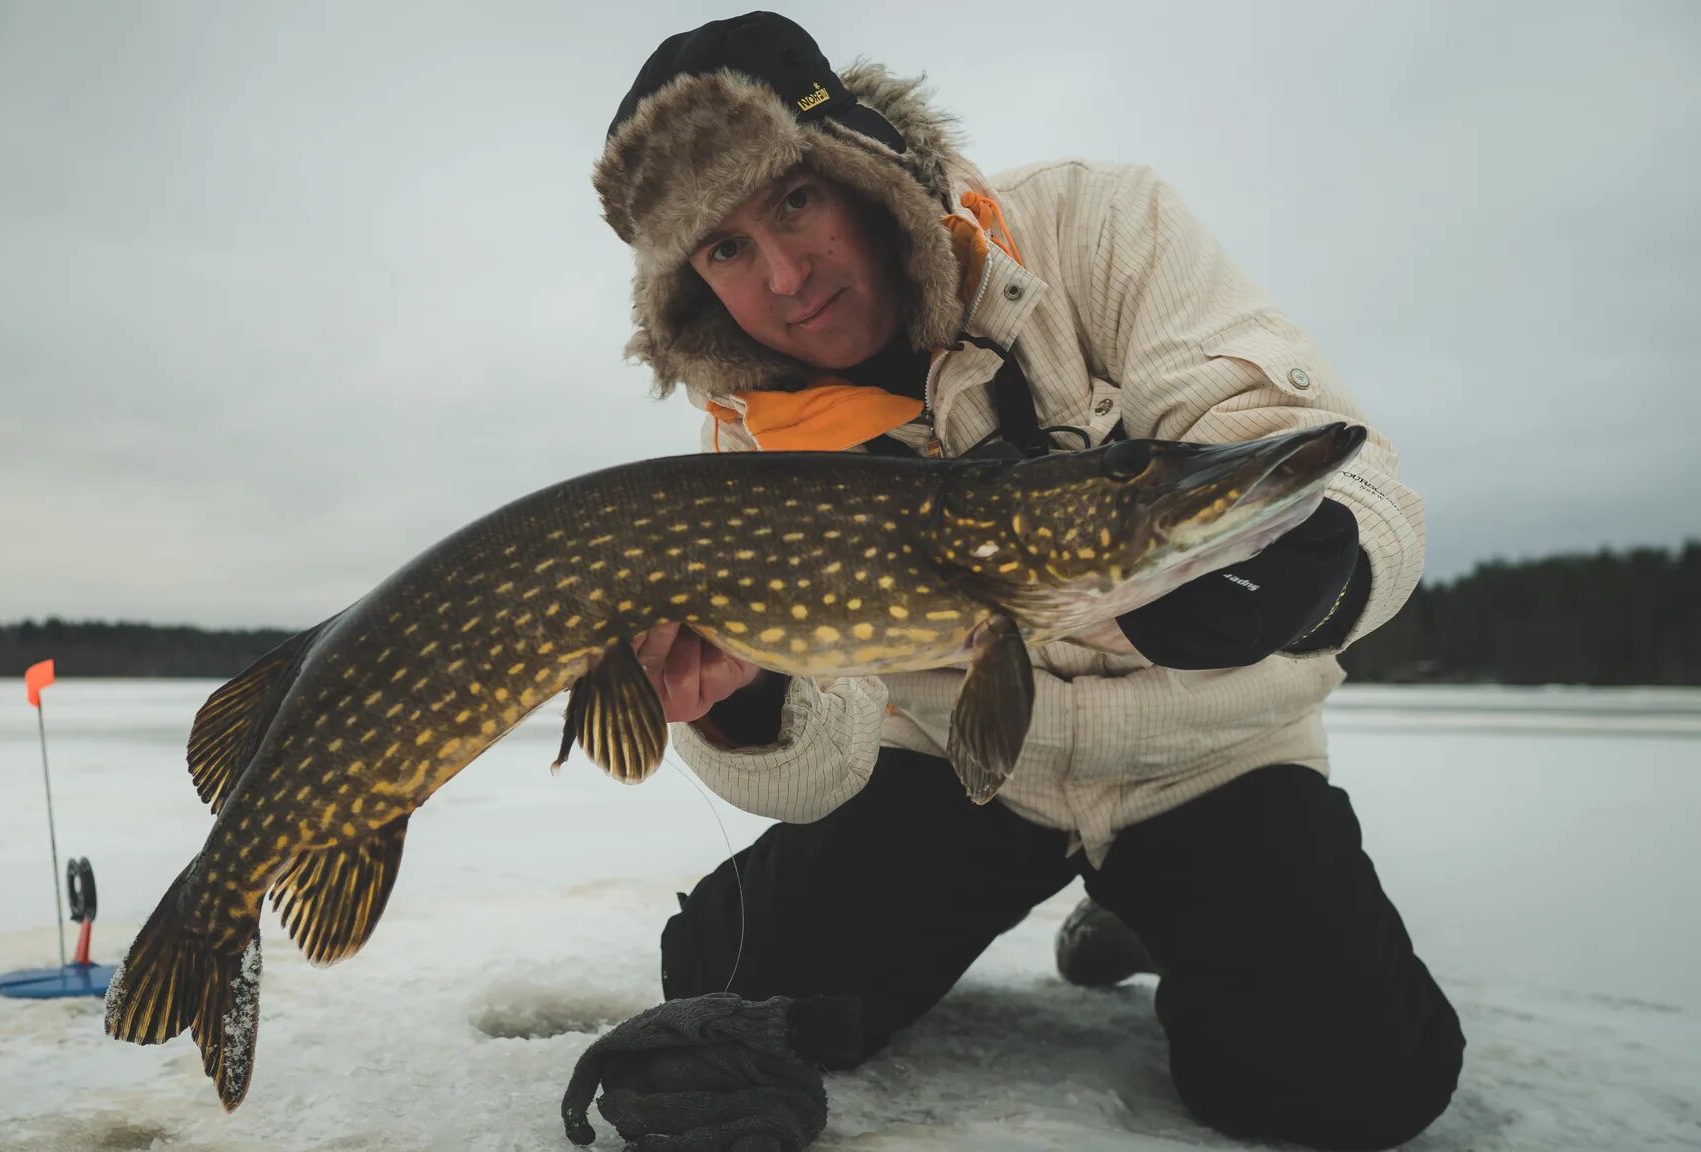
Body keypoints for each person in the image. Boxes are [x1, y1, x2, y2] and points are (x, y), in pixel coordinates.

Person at [561, 13, 1463, 1152]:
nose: (784, 277)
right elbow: (825, 745)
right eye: (724, 249)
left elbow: (1313, 454)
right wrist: (744, 701)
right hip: (958, 765)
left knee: (1351, 1086)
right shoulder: (748, 446)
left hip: (1205, 753)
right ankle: (1093, 893)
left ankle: (1144, 909)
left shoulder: (1096, 221)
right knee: (724, 981)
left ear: (858, 165)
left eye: (792, 202)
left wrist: (1307, 577)